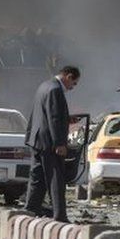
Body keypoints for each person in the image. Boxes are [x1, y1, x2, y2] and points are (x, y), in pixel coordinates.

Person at [23, 65, 80, 223]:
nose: (72, 87)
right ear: (68, 76)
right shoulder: (55, 89)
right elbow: (53, 117)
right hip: (49, 142)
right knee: (56, 178)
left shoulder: (45, 85)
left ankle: (30, 210)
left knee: (37, 177)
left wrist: (67, 119)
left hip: (37, 140)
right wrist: (59, 143)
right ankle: (60, 215)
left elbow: (46, 113)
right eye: (73, 83)